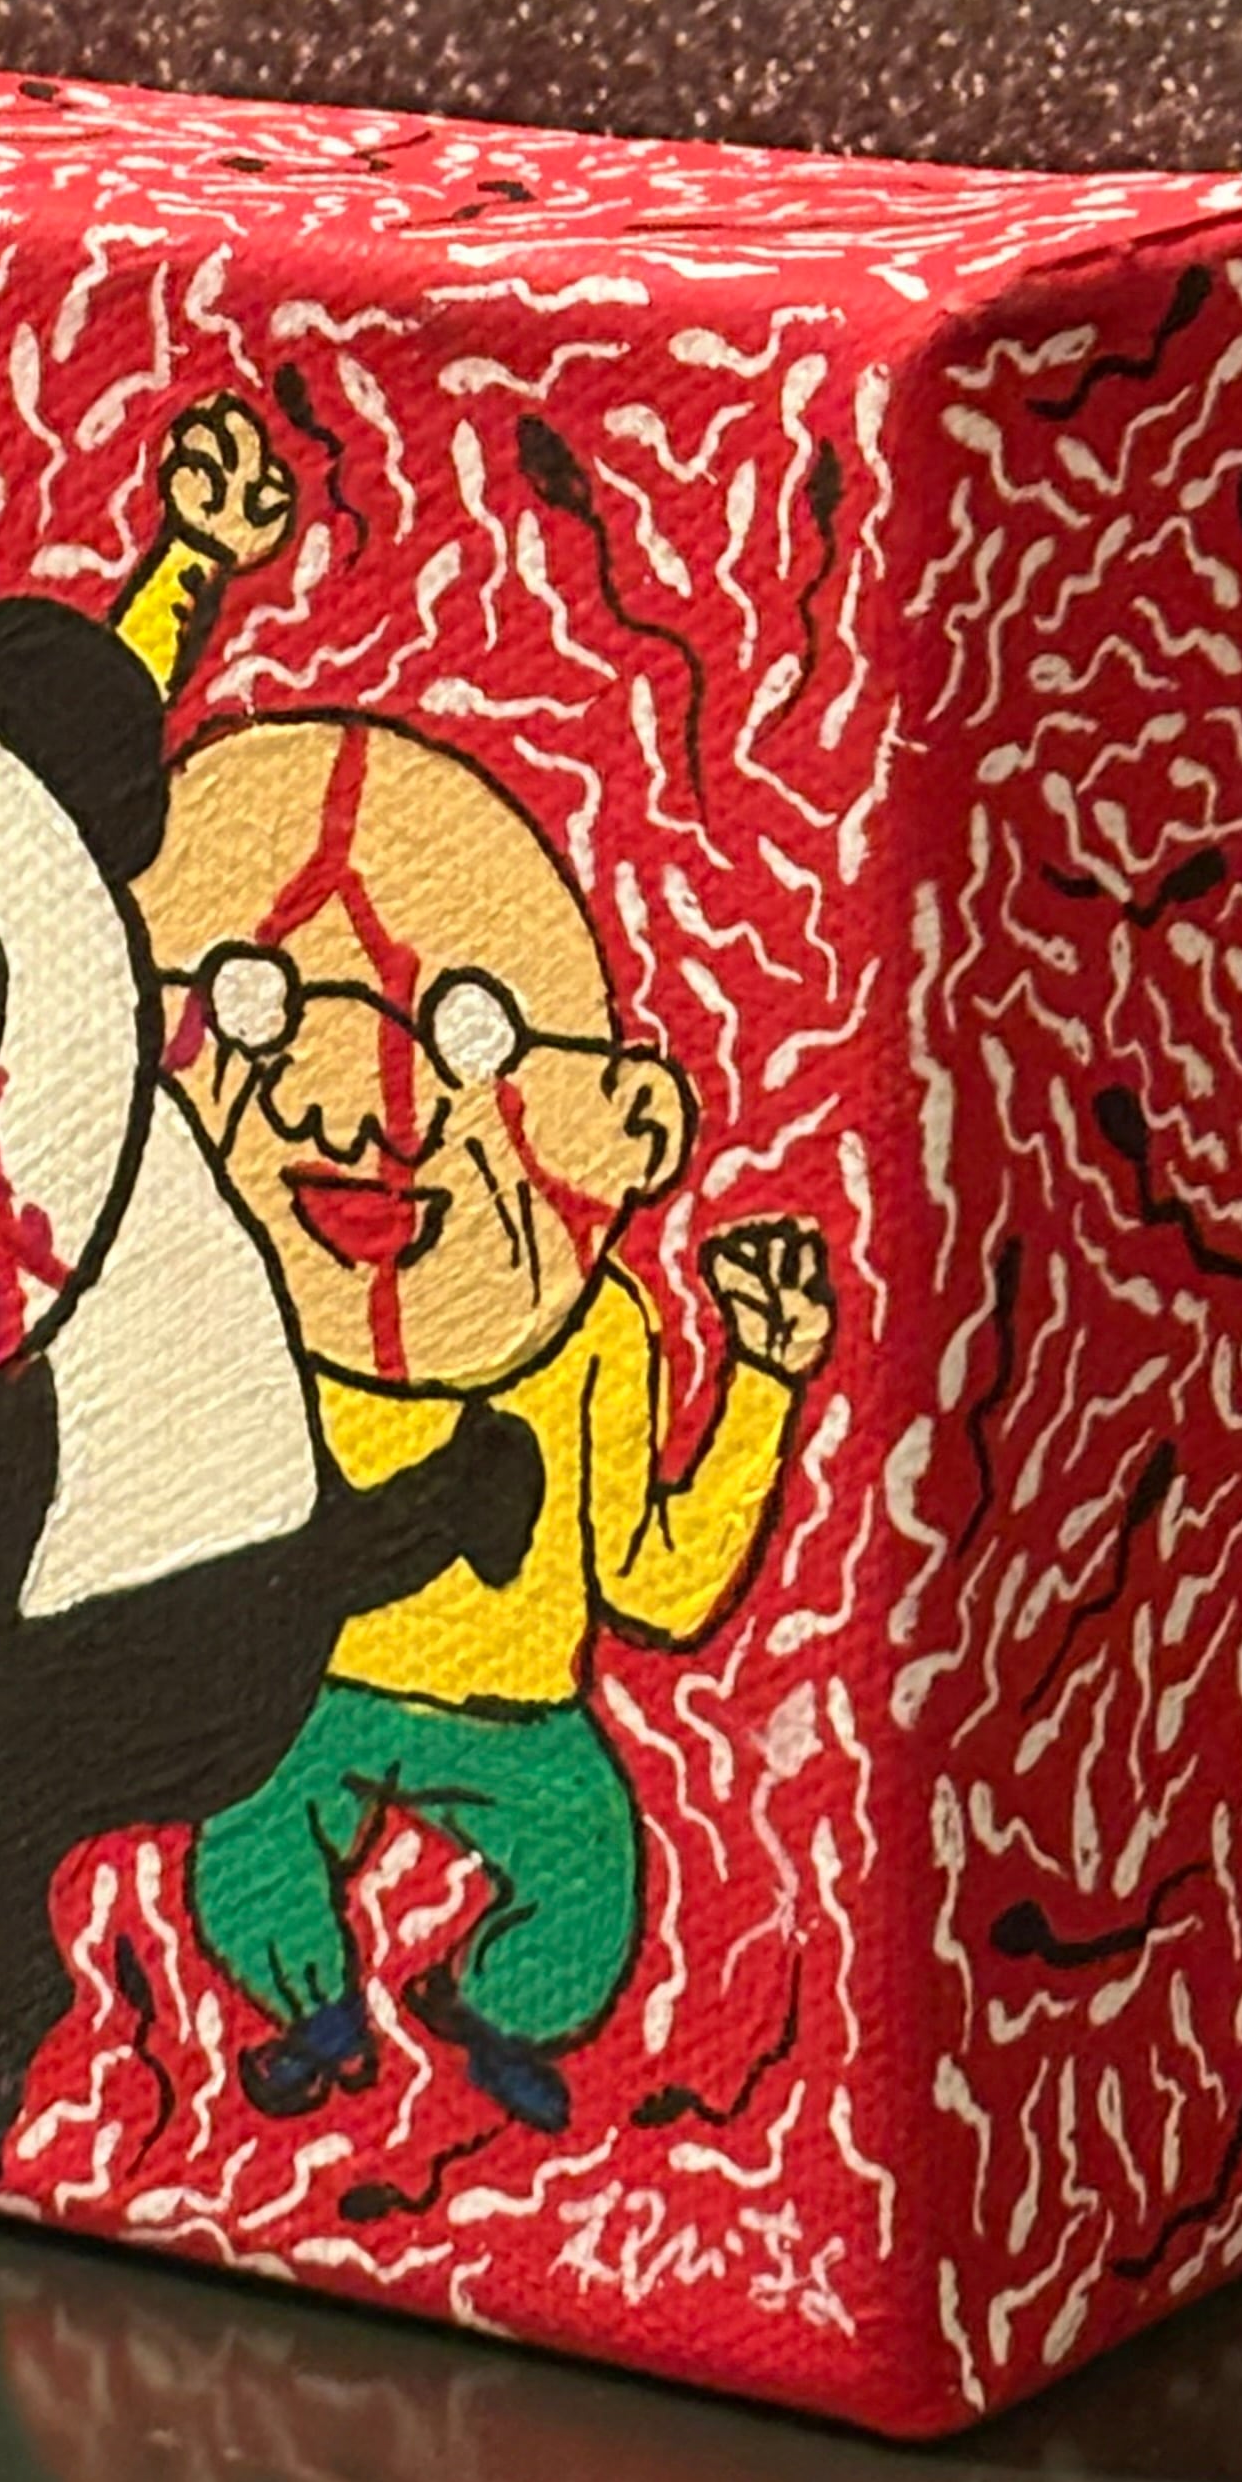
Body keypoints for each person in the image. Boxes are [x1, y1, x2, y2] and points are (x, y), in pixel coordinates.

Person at [137, 663, 835, 2137]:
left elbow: (659, 1580)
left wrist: (764, 1380)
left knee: (590, 1881)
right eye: (267, 1017)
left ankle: (492, 2006)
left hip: (519, 1711)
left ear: (622, 1119)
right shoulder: (244, 1314)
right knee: (243, 1840)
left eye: (463, 1037)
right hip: (304, 1690)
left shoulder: (596, 1334)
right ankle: (318, 2012)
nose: (353, 1111)